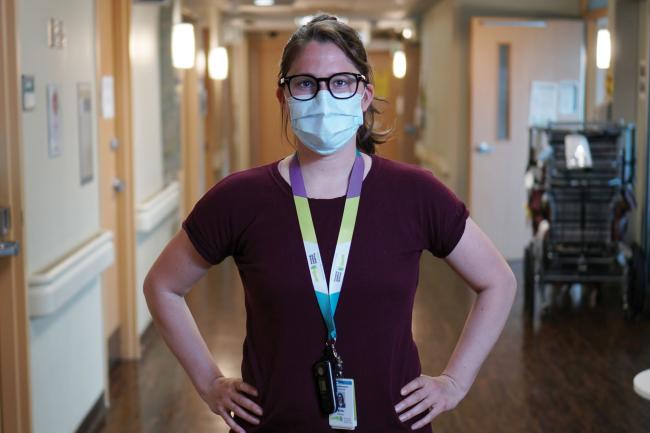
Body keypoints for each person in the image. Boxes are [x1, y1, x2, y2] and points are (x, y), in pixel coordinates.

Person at [143, 14, 517, 433]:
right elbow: (162, 285)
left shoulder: (414, 193)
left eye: (340, 82)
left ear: (364, 95)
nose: (323, 97)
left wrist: (454, 381)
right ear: (283, 97)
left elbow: (498, 281)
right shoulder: (240, 199)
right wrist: (209, 381)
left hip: (390, 424)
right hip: (273, 423)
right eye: (305, 83)